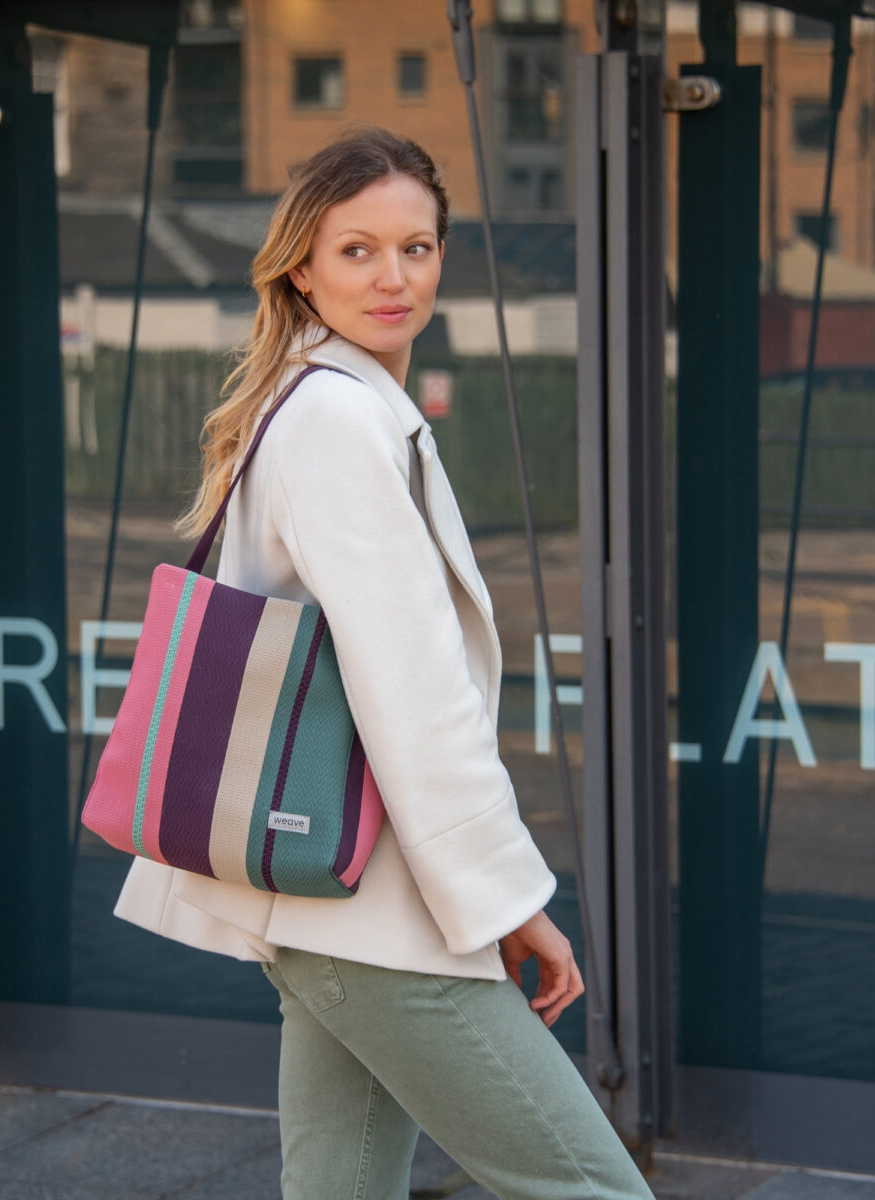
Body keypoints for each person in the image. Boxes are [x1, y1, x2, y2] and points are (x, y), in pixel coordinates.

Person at [114, 127, 655, 1200]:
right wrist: (509, 902)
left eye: (417, 247)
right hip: (378, 914)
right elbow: (413, 695)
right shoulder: (339, 421)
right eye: (357, 250)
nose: (393, 276)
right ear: (301, 268)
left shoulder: (328, 402)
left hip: (337, 898)